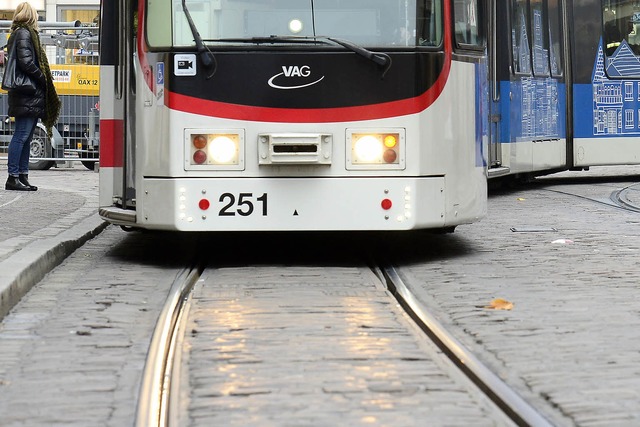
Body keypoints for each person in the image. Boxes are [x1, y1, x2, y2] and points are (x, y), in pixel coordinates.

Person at [4, 2, 60, 191]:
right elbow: (26, 62)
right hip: (27, 92)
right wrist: (42, 77)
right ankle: (13, 177)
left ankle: (22, 175)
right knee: (21, 135)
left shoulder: (23, 33)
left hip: (27, 94)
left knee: (26, 136)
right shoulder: (24, 33)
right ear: (31, 16)